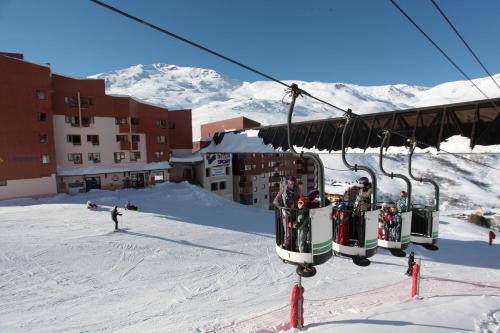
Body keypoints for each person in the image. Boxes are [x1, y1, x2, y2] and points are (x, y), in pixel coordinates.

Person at [273, 175, 300, 250]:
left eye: (292, 183)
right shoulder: (283, 190)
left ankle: (293, 248)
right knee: (288, 233)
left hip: (295, 214)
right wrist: (282, 209)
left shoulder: (297, 190)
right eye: (289, 183)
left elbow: (299, 201)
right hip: (286, 215)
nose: (291, 184)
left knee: (294, 231)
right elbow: (275, 201)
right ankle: (287, 248)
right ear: (287, 182)